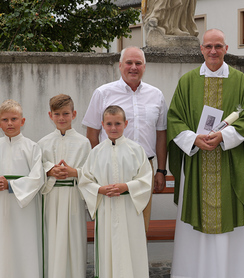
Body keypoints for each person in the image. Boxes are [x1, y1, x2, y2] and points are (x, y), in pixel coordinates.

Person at [167, 28, 244, 278]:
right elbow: (175, 119)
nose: (213, 51)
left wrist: (223, 136)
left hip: (230, 162)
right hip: (196, 163)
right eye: (208, 46)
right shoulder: (187, 82)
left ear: (226, 49)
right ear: (201, 49)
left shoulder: (240, 80)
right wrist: (193, 138)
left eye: (218, 46)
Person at [82, 46, 168, 232]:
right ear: (120, 66)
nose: (133, 67)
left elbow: (161, 134)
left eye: (138, 63)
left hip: (144, 170)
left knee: (140, 226)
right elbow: (92, 134)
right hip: (110, 168)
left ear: (145, 66)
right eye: (129, 63)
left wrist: (161, 170)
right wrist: (97, 167)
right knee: (112, 227)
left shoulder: (156, 95)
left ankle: (136, 262)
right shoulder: (103, 93)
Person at [79, 105, 152, 278]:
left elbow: (146, 178)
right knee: (109, 249)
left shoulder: (137, 150)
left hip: (129, 208)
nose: (113, 128)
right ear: (102, 124)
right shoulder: (96, 152)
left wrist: (127, 187)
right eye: (109, 123)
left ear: (126, 124)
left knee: (131, 247)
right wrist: (100, 189)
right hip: (106, 208)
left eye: (118, 123)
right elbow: (85, 180)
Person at [38, 94, 91, 278]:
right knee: (52, 239)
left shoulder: (83, 142)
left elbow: (90, 172)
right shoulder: (43, 143)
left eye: (66, 113)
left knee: (73, 240)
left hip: (74, 196)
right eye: (57, 114)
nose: (61, 118)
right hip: (51, 197)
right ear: (50, 115)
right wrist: (49, 170)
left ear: (74, 114)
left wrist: (74, 172)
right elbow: (36, 169)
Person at [0, 99, 44, 278]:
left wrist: (11, 185)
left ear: (23, 121)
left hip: (25, 207)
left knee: (25, 246)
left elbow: (38, 177)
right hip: (1, 206)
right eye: (5, 119)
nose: (10, 123)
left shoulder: (32, 147)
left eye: (14, 119)